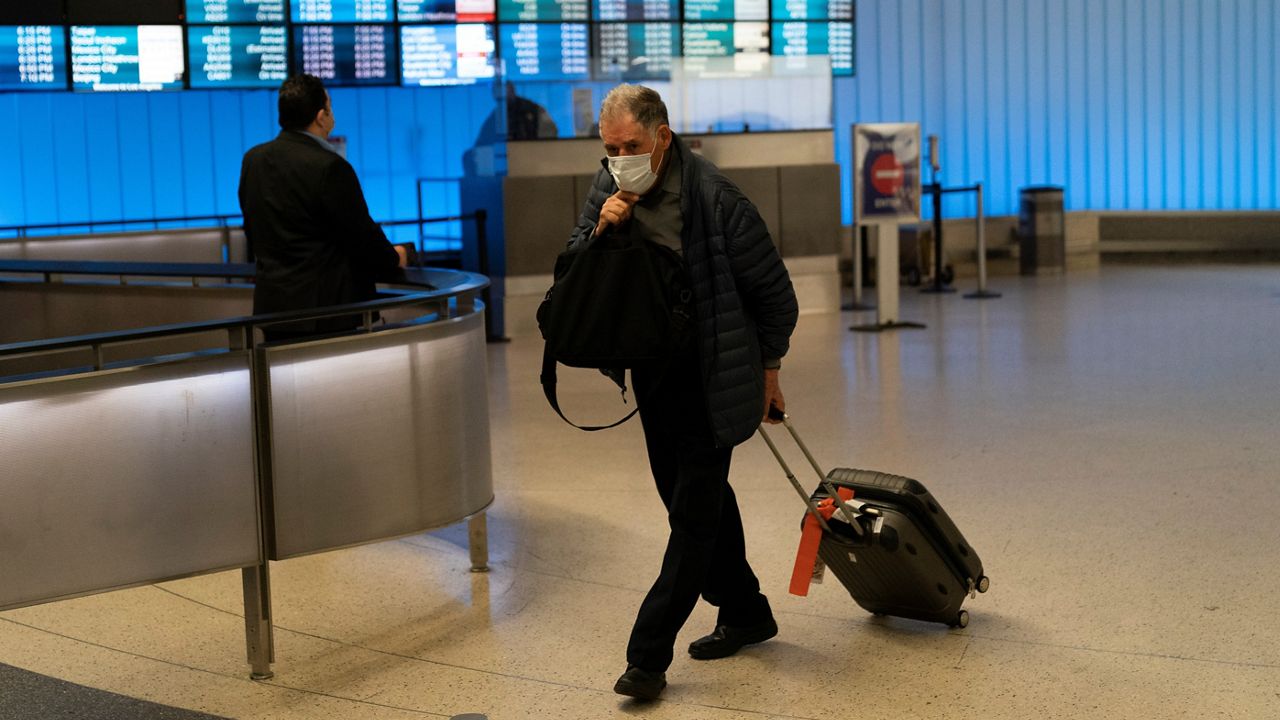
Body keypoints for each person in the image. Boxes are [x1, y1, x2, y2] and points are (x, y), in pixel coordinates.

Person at [567, 84, 798, 701]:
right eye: (611, 147)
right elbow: (571, 266)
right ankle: (747, 610)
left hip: (713, 374)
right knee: (692, 500)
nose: (620, 158)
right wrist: (598, 233)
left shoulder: (717, 199)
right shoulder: (608, 185)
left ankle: (647, 656)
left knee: (691, 518)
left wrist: (769, 372)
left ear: (662, 137)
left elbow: (776, 297)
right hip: (655, 371)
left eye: (632, 146)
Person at [238, 73, 406, 340]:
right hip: (326, 315)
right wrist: (395, 257)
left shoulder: (253, 160)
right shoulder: (330, 167)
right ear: (321, 116)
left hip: (274, 311)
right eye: (330, 107)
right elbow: (360, 236)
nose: (332, 114)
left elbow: (253, 231)